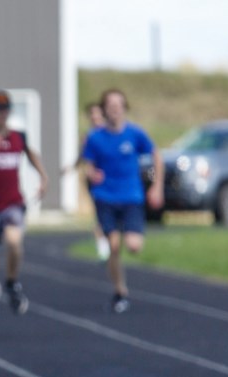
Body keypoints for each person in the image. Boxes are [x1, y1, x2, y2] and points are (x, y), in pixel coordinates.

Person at [81, 88, 164, 313]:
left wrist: (156, 185)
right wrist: (92, 174)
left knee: (134, 246)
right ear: (105, 109)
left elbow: (155, 156)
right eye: (110, 106)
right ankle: (120, 292)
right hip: (105, 197)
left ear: (124, 108)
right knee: (114, 247)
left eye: (119, 105)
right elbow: (87, 163)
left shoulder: (135, 134)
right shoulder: (95, 138)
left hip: (131, 197)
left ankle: (130, 243)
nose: (115, 110)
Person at [0, 90, 49, 324]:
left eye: (4, 110)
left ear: (9, 112)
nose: (1, 115)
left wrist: (43, 178)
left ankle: (12, 281)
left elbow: (32, 155)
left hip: (12, 203)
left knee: (14, 241)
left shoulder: (19, 137)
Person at [63, 102, 110, 261]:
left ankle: (110, 242)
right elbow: (82, 156)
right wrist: (72, 167)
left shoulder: (112, 132)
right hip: (95, 181)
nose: (95, 117)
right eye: (92, 114)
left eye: (98, 114)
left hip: (113, 180)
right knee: (100, 213)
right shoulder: (88, 137)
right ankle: (103, 248)